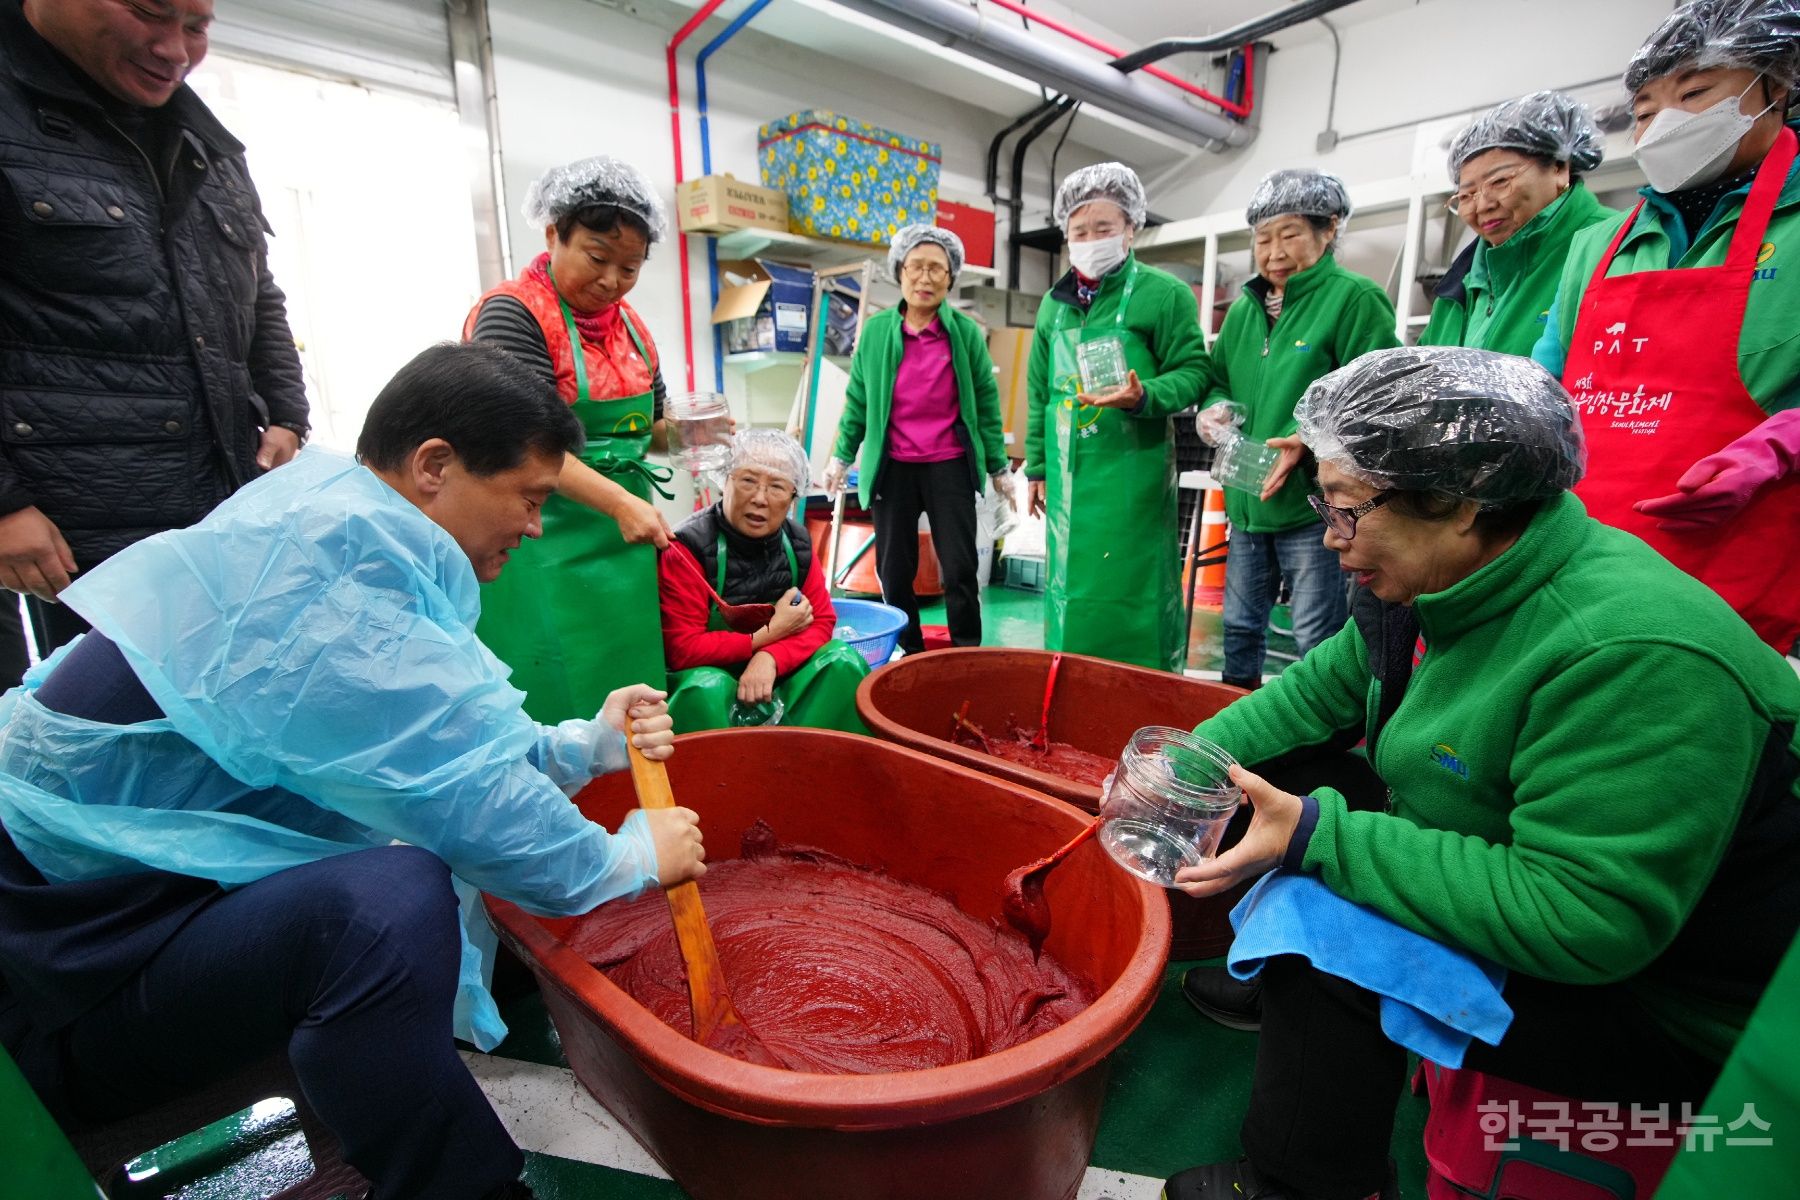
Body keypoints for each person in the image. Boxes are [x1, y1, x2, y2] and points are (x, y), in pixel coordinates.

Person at [0, 342, 706, 1200]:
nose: (533, 527)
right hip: (66, 981)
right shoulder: (331, 589)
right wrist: (627, 858)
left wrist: (580, 746)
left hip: (131, 922)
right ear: (434, 466)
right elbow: (475, 803)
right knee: (387, 902)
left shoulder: (338, 533)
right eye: (527, 499)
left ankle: (365, 1075)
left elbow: (440, 741)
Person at [1163, 348, 1800, 1200]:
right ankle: (1303, 1027)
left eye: (1347, 511)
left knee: (1320, 909)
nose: (1328, 537)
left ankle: (1303, 1182)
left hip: (1673, 1002)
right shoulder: (1440, 582)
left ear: (1460, 504)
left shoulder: (1635, 653)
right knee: (1293, 782)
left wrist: (1319, 839)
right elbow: (1317, 692)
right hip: (1537, 868)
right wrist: (1183, 768)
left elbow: (1589, 919)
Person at [0, 0, 309, 662]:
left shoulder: (207, 144)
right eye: (149, 13)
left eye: (197, 27)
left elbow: (261, 293)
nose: (175, 49)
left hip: (214, 514)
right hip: (69, 539)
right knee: (94, 736)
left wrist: (287, 414)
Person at [1534, 0, 1800, 655]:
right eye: (1648, 108)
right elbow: (1540, 388)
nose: (1666, 122)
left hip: (1734, 573)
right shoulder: (1599, 244)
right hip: (1579, 559)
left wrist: (1775, 448)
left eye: (1697, 92)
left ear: (1778, 86)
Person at [464, 155, 678, 723]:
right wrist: (620, 502)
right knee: (553, 688)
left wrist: (690, 435)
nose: (612, 281)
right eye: (598, 257)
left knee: (629, 688)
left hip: (622, 550)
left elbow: (651, 428)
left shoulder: (631, 327)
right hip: (539, 538)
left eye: (630, 267)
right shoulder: (513, 313)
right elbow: (527, 442)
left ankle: (634, 803)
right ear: (554, 232)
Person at [1197, 169, 1397, 690]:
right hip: (1248, 503)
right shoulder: (1243, 311)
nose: (1274, 251)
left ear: (1328, 229)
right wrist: (1215, 410)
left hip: (1315, 507)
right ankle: (1230, 734)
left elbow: (1377, 391)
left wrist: (1306, 441)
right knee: (1239, 627)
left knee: (1315, 634)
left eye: (1289, 235)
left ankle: (1318, 749)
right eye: (1263, 239)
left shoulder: (1354, 298)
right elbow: (1218, 380)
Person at [1024, 162, 1212, 672]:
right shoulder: (1053, 307)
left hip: (1136, 477)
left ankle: (1145, 691)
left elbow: (1195, 371)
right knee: (1070, 589)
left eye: (1103, 229)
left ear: (1131, 228)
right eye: (1079, 232)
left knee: (1138, 590)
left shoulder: (1164, 294)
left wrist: (1144, 394)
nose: (1090, 241)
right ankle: (1068, 683)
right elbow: (1039, 390)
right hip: (1068, 478)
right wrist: (1038, 468)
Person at [824, 225, 1012, 653]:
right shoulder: (874, 331)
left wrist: (999, 466)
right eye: (916, 267)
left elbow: (985, 400)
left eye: (936, 270)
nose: (925, 279)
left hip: (949, 463)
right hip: (894, 467)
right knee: (893, 570)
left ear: (950, 277)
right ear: (900, 272)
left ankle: (967, 649)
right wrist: (840, 456)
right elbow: (858, 400)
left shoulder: (964, 333)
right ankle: (908, 649)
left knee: (961, 566)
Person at [661, 431, 869, 733]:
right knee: (704, 688)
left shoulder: (796, 543)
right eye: (748, 481)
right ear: (724, 481)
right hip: (710, 683)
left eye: (776, 487)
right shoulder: (687, 549)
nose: (760, 498)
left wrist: (771, 658)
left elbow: (822, 621)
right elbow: (683, 648)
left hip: (776, 677)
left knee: (842, 662)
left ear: (793, 496)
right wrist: (765, 636)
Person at [1419, 91, 1620, 357]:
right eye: (1466, 195)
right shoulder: (1459, 285)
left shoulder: (1616, 246)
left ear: (1559, 168)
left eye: (1499, 182)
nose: (1482, 206)